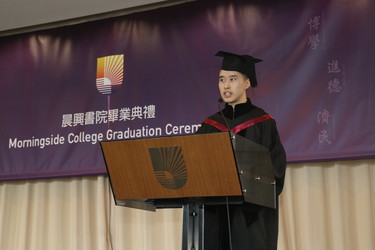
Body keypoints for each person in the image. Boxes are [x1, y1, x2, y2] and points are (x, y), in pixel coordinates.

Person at [195, 51, 286, 250]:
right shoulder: (209, 125)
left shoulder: (264, 123)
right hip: (215, 213)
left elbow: (276, 172)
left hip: (251, 216)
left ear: (246, 84)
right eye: (221, 80)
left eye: (232, 79)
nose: (226, 85)